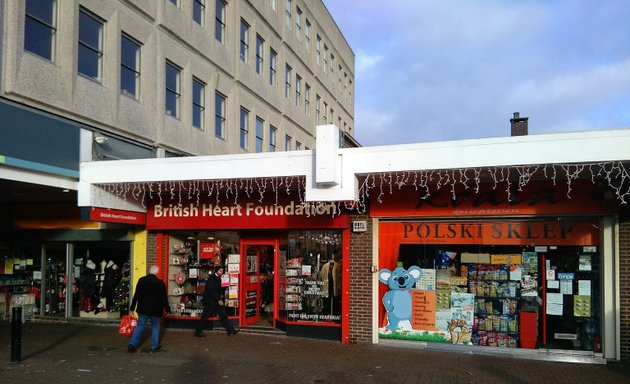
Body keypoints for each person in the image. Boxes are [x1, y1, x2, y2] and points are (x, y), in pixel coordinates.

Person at [128, 265, 170, 353]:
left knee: (140, 325)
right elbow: (163, 297)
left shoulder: (141, 280)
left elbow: (136, 295)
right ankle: (154, 346)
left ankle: (132, 344)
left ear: (149, 271)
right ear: (157, 273)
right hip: (155, 309)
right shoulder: (160, 283)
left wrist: (132, 307)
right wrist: (167, 307)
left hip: (142, 308)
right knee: (155, 326)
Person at [195, 266, 239, 337]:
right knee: (205, 316)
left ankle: (231, 331)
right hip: (210, 301)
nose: (221, 272)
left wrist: (222, 292)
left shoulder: (218, 278)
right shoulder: (212, 279)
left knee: (223, 315)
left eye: (222, 271)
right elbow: (211, 291)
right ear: (216, 271)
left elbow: (218, 289)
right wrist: (218, 299)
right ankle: (198, 332)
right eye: (220, 271)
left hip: (215, 301)